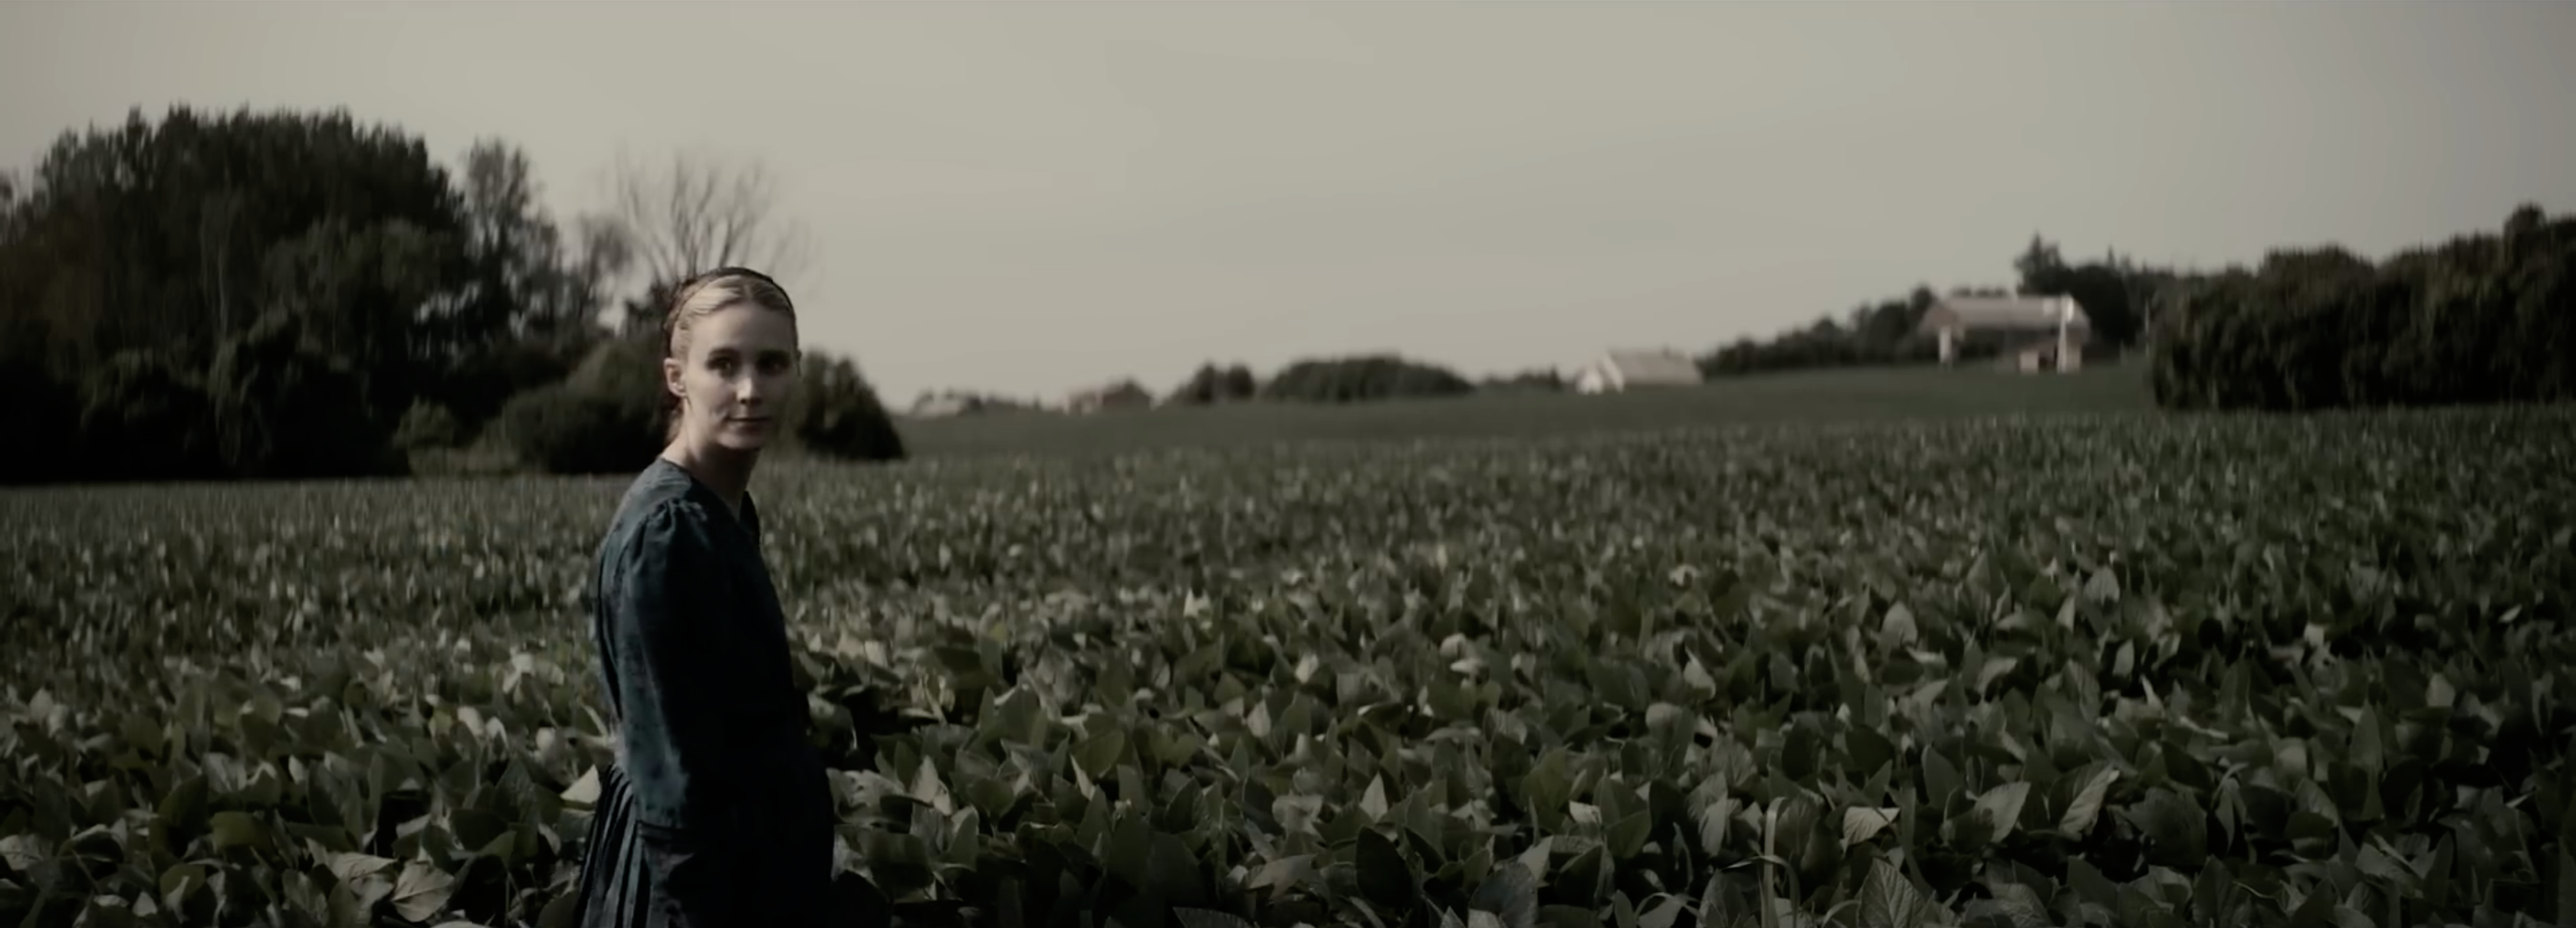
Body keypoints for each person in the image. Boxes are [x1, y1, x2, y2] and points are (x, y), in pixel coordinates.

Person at [571, 267, 836, 927]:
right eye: (724, 363)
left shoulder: (719, 508)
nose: (751, 389)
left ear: (797, 372)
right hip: (694, 892)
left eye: (772, 363)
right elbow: (676, 794)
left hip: (748, 869)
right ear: (676, 376)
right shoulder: (669, 532)